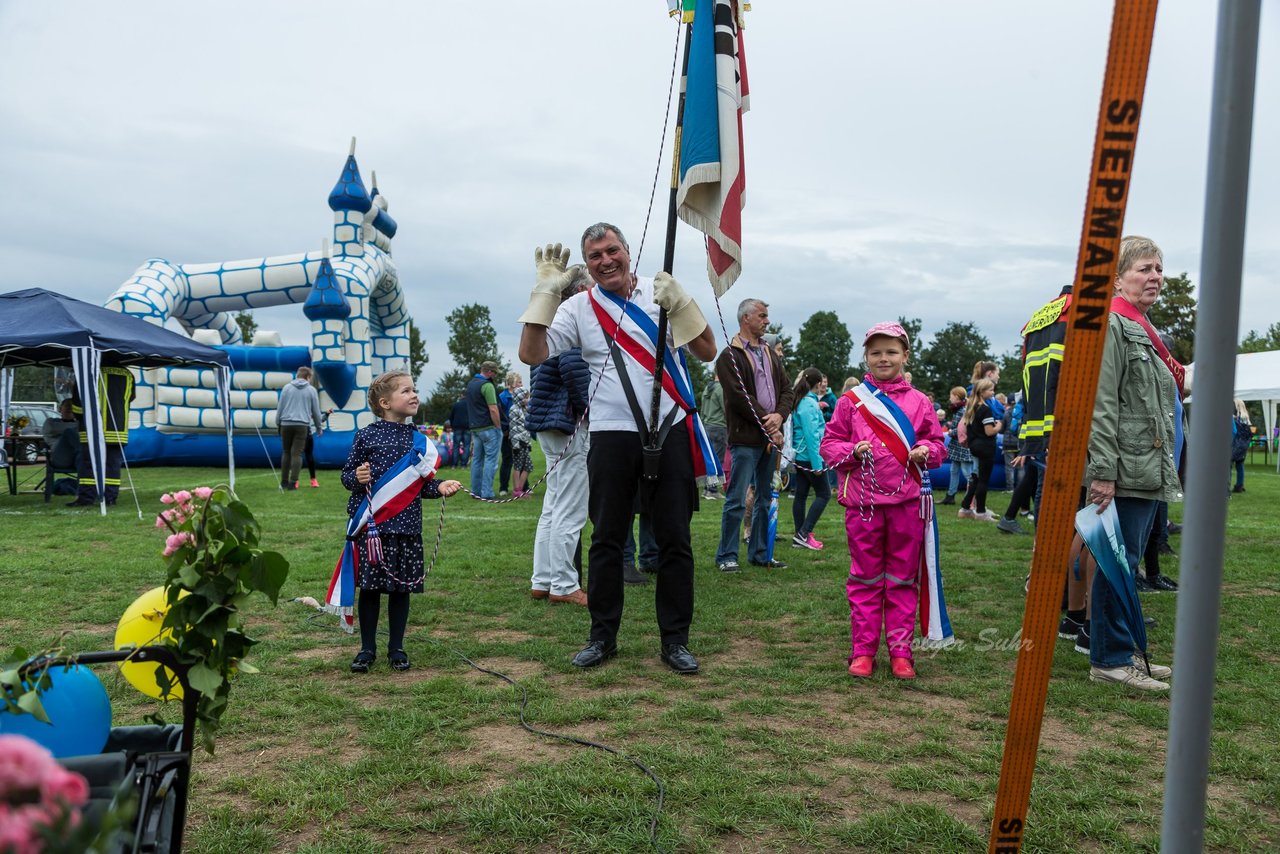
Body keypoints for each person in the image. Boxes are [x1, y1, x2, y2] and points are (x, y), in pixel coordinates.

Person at [518, 224, 718, 674]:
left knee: (674, 540)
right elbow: (531, 353)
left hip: (669, 428)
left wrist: (684, 305)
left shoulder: (662, 291)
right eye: (595, 256)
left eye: (612, 251)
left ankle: (676, 641)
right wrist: (543, 296)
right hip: (610, 433)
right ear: (586, 265)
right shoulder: (577, 308)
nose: (606, 261)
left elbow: (706, 351)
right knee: (607, 539)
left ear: (628, 251)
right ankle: (602, 637)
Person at [820, 322, 944, 680]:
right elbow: (829, 445)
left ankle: (901, 652)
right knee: (865, 579)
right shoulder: (850, 402)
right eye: (876, 352)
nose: (883, 358)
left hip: (907, 504)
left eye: (891, 352)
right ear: (866, 357)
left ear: (905, 355)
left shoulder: (920, 402)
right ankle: (863, 651)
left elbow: (937, 445)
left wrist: (926, 451)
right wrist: (852, 451)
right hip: (863, 505)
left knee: (903, 580)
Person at [1085, 235, 1181, 691]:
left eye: (1159, 269)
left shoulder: (1143, 327)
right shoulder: (1114, 325)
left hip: (1147, 467)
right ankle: (1110, 659)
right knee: (1116, 566)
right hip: (1124, 470)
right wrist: (1103, 471)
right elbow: (1101, 404)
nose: (1155, 277)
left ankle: (1126, 651)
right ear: (1118, 277)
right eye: (1144, 268)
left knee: (1128, 564)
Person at [342, 371, 462, 673]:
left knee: (400, 590)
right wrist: (356, 478)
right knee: (369, 590)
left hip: (407, 528)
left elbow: (423, 485)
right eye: (406, 391)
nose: (414, 395)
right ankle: (366, 649)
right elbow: (347, 476)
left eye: (415, 390)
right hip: (374, 529)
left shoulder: (419, 440)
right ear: (385, 402)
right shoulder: (366, 436)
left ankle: (396, 648)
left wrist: (441, 486)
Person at [527, 266, 593, 605]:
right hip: (569, 425)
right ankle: (565, 585)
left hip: (549, 426)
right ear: (581, 290)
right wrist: (590, 409)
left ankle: (544, 579)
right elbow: (573, 367)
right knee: (570, 508)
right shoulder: (574, 325)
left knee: (553, 506)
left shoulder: (548, 325)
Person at [714, 298, 795, 572]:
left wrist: (780, 417)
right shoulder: (729, 356)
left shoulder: (771, 353)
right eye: (762, 315)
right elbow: (739, 397)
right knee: (737, 498)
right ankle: (727, 555)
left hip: (769, 440)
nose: (767, 321)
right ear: (745, 318)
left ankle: (760, 553)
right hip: (746, 438)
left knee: (765, 497)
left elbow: (787, 390)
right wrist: (769, 422)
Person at [68, 366, 136, 507]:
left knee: (89, 465)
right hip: (117, 428)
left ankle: (87, 497)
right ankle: (110, 497)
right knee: (112, 466)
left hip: (92, 429)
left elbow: (77, 403)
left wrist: (80, 417)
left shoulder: (88, 370)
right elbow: (130, 398)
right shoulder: (127, 374)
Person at [789, 368, 830, 551]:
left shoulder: (802, 401)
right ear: (819, 383)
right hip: (808, 457)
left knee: (801, 495)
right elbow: (812, 435)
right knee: (824, 494)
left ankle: (800, 535)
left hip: (801, 456)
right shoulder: (809, 404)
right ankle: (804, 533)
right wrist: (817, 464)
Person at [957, 379, 1000, 521]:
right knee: (983, 480)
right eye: (991, 390)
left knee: (975, 478)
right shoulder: (985, 409)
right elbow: (989, 431)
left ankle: (965, 508)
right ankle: (981, 512)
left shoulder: (972, 407)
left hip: (974, 446)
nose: (993, 393)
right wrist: (1000, 425)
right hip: (985, 447)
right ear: (982, 392)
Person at [276, 366, 324, 491]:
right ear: (308, 377)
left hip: (285, 423)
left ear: (297, 375)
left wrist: (278, 423)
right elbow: (316, 412)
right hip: (302, 424)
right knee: (296, 454)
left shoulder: (287, 388)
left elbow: (280, 407)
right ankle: (293, 483)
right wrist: (319, 427)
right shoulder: (311, 390)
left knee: (286, 452)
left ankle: (283, 482)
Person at [465, 360, 503, 500]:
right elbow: (493, 408)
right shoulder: (487, 386)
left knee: (477, 460)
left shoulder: (471, 384)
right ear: (489, 372)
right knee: (491, 461)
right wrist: (498, 426)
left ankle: (476, 491)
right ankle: (487, 492)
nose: (495, 376)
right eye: (494, 373)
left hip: (475, 428)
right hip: (488, 428)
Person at [940, 387, 971, 505]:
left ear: (957, 397)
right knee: (954, 470)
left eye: (951, 396)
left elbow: (961, 429)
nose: (949, 398)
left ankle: (972, 497)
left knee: (967, 472)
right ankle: (950, 495)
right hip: (958, 447)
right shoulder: (958, 410)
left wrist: (949, 432)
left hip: (962, 446)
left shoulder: (962, 411)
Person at [700, 370, 727, 500]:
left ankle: (707, 489)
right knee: (718, 460)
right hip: (719, 426)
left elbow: (702, 408)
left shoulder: (707, 388)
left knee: (709, 459)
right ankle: (712, 489)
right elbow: (726, 409)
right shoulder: (721, 388)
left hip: (707, 425)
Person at [497, 372, 522, 496]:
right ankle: (503, 488)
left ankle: (522, 487)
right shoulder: (502, 397)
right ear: (512, 384)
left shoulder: (522, 396)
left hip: (520, 432)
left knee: (522, 459)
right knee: (507, 460)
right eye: (519, 382)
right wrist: (505, 430)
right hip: (507, 433)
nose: (522, 384)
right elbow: (501, 416)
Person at [299, 408, 334, 488]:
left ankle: (313, 480)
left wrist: (327, 414)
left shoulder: (308, 409)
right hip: (298, 435)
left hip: (307, 435)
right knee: (297, 457)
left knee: (309, 457)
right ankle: (295, 480)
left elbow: (319, 419)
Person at [508, 386, 533, 497]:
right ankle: (517, 490)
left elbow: (526, 427)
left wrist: (529, 443)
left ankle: (520, 489)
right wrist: (515, 445)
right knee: (518, 466)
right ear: (520, 397)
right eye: (526, 397)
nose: (528, 399)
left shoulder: (524, 409)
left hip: (525, 441)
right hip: (518, 442)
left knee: (528, 466)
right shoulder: (514, 409)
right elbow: (513, 428)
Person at [1230, 399, 1251, 493]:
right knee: (1240, 465)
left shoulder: (1234, 418)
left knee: (1228, 465)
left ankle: (1226, 486)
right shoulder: (1246, 418)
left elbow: (1234, 431)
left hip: (1235, 444)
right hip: (1244, 445)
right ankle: (1239, 485)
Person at [448, 392, 470, 468]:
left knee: (456, 446)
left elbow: (451, 416)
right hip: (467, 427)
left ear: (461, 396)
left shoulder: (456, 404)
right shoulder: (470, 405)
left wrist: (452, 425)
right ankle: (464, 465)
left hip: (457, 427)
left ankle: (454, 464)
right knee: (466, 446)